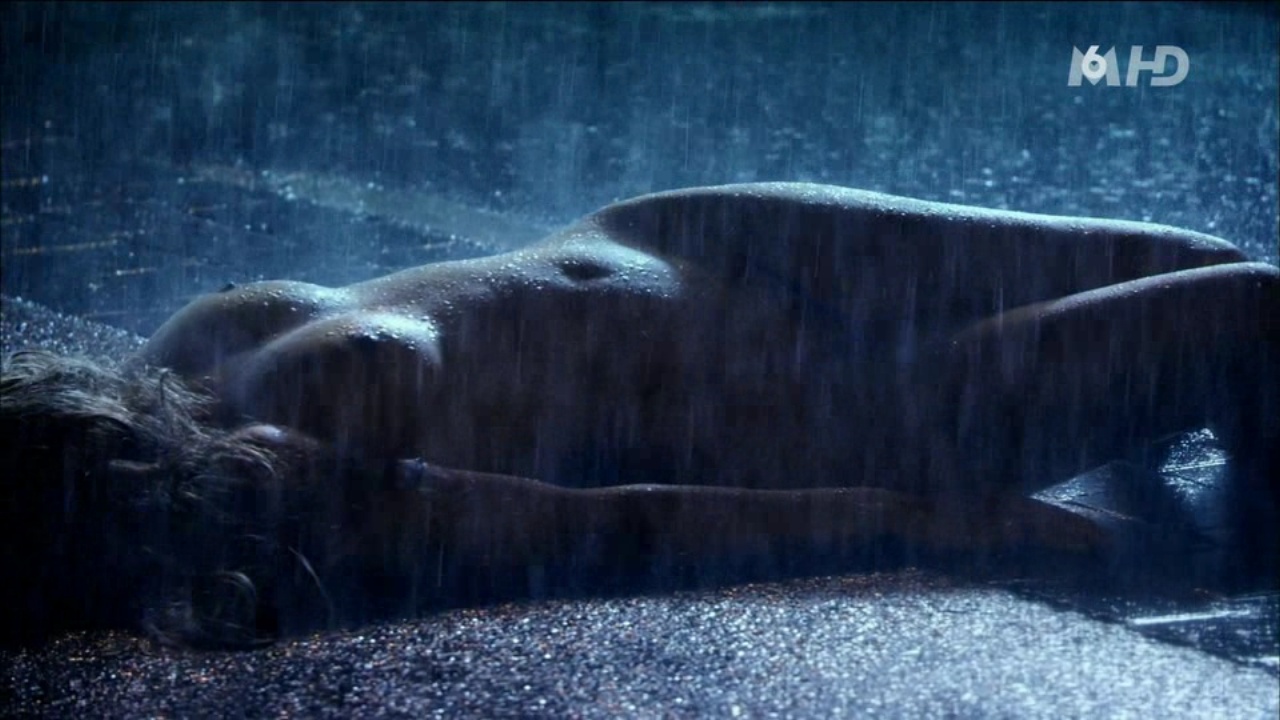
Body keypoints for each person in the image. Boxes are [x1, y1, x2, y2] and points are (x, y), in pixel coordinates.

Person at [3, 183, 1276, 648]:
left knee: (1203, 256)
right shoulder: (278, 499)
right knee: (1251, 313)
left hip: (680, 238)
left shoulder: (174, 369)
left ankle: (1143, 420)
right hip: (842, 409)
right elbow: (624, 528)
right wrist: (928, 518)